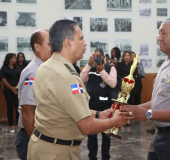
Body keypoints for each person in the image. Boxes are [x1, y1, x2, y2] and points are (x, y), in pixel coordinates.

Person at [27, 19, 127, 160]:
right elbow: (87, 127)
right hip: (57, 153)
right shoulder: (66, 75)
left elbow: (64, 109)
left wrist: (99, 114)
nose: (85, 43)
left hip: (43, 146)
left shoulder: (47, 66)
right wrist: (115, 121)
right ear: (68, 43)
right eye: (81, 38)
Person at [120, 17, 170, 160]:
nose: (159, 38)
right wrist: (135, 109)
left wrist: (148, 114)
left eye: (163, 33)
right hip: (161, 136)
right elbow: (161, 101)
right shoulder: (168, 63)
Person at [13, 29, 52, 160]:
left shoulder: (45, 68)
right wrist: (36, 142)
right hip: (31, 137)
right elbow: (28, 112)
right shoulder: (33, 72)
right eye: (50, 44)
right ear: (37, 47)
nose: (54, 48)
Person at [80, 49, 117, 160]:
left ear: (104, 57)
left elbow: (113, 84)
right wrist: (88, 65)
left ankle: (106, 157)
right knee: (91, 136)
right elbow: (80, 80)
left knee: (106, 136)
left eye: (99, 56)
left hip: (105, 107)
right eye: (94, 57)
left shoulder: (110, 68)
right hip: (91, 107)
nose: (97, 59)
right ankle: (92, 157)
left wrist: (101, 71)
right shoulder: (90, 69)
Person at [116, 51, 138, 126]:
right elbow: (117, 74)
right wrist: (121, 79)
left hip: (130, 86)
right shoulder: (119, 64)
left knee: (129, 103)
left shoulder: (133, 64)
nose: (127, 57)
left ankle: (128, 119)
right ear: (123, 57)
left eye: (128, 55)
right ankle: (120, 119)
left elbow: (135, 74)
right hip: (122, 85)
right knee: (122, 103)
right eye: (125, 55)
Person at [0, 53, 20, 133]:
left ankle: (18, 125)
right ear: (10, 59)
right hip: (8, 91)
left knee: (18, 108)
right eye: (14, 57)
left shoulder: (17, 68)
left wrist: (16, 88)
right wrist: (12, 88)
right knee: (10, 108)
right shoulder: (4, 68)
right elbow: (4, 80)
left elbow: (20, 78)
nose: (16, 59)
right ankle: (11, 125)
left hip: (17, 91)